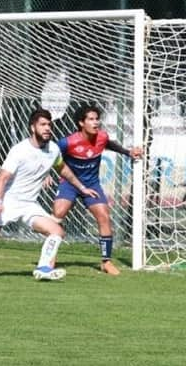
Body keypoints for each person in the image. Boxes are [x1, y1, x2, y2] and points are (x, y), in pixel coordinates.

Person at [0, 109, 98, 281]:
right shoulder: (19, 150)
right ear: (32, 127)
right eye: (42, 125)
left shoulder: (53, 149)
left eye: (49, 125)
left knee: (57, 231)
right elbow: (1, 178)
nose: (47, 128)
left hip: (29, 205)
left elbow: (63, 169)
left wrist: (82, 188)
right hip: (8, 202)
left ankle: (43, 268)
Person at [52, 105, 143, 275]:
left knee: (104, 216)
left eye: (97, 119)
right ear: (81, 123)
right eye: (91, 119)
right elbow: (51, 156)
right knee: (58, 213)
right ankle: (50, 257)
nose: (96, 122)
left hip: (92, 184)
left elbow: (110, 144)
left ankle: (106, 262)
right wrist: (47, 174)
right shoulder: (67, 142)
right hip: (69, 183)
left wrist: (128, 152)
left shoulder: (101, 137)